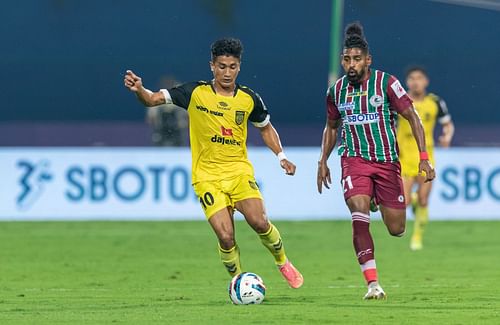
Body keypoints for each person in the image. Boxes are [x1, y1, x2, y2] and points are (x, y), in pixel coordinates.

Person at [124, 38, 303, 288]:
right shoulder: (194, 93)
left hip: (238, 172)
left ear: (239, 67)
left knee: (259, 222)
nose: (227, 72)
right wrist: (140, 90)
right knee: (226, 236)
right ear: (212, 66)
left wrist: (281, 156)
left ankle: (282, 261)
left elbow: (265, 128)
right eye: (221, 66)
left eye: (232, 66)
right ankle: (238, 282)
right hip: (207, 177)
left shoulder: (249, 98)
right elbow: (153, 99)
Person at [316, 22, 435, 299]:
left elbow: (413, 117)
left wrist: (424, 158)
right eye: (347, 59)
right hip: (353, 159)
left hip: (386, 161)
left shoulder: (387, 83)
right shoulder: (336, 91)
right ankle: (372, 284)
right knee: (358, 213)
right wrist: (322, 160)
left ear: (368, 60)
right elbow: (332, 127)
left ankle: (375, 197)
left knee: (397, 229)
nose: (351, 64)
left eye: (357, 59)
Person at [397, 67, 454, 251]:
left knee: (423, 200)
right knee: (403, 203)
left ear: (426, 81)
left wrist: (447, 136)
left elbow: (448, 125)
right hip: (404, 157)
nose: (415, 82)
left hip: (426, 157)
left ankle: (417, 238)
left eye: (419, 78)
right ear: (407, 82)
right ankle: (411, 201)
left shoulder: (435, 102)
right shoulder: (399, 100)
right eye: (412, 78)